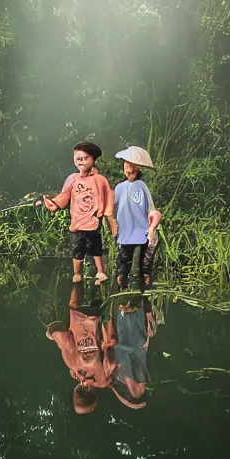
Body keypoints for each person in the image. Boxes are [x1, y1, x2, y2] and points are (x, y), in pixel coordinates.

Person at [38, 141, 117, 285]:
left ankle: (100, 272)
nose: (81, 161)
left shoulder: (100, 180)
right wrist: (53, 203)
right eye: (78, 158)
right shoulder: (72, 179)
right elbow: (64, 196)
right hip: (77, 222)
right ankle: (77, 273)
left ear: (93, 160)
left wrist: (109, 216)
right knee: (77, 248)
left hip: (93, 220)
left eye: (85, 158)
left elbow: (108, 196)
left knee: (96, 247)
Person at [46, 279, 117, 415]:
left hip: (102, 316)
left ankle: (103, 272)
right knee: (78, 283)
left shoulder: (104, 379)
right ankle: (80, 274)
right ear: (75, 391)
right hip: (79, 313)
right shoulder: (72, 364)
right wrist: (51, 335)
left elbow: (111, 355)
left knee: (103, 280)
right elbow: (60, 333)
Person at [113, 146, 162, 288]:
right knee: (123, 261)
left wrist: (152, 229)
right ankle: (122, 287)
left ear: (139, 168)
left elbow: (151, 210)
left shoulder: (141, 186)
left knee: (142, 262)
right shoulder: (119, 187)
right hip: (125, 233)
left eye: (133, 167)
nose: (129, 170)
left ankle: (143, 287)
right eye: (127, 165)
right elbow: (111, 206)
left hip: (141, 232)